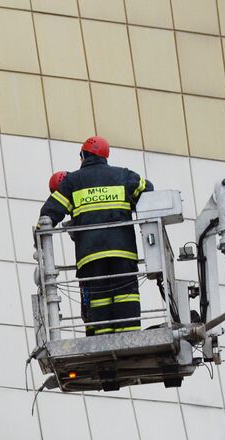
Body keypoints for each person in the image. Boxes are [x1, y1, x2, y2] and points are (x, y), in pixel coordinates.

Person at [39, 136, 152, 336]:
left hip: (90, 256)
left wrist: (39, 241)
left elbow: (50, 212)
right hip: (122, 252)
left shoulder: (73, 181)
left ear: (83, 155)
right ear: (105, 156)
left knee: (99, 299)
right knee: (126, 296)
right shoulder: (124, 176)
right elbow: (149, 191)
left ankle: (102, 339)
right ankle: (130, 336)